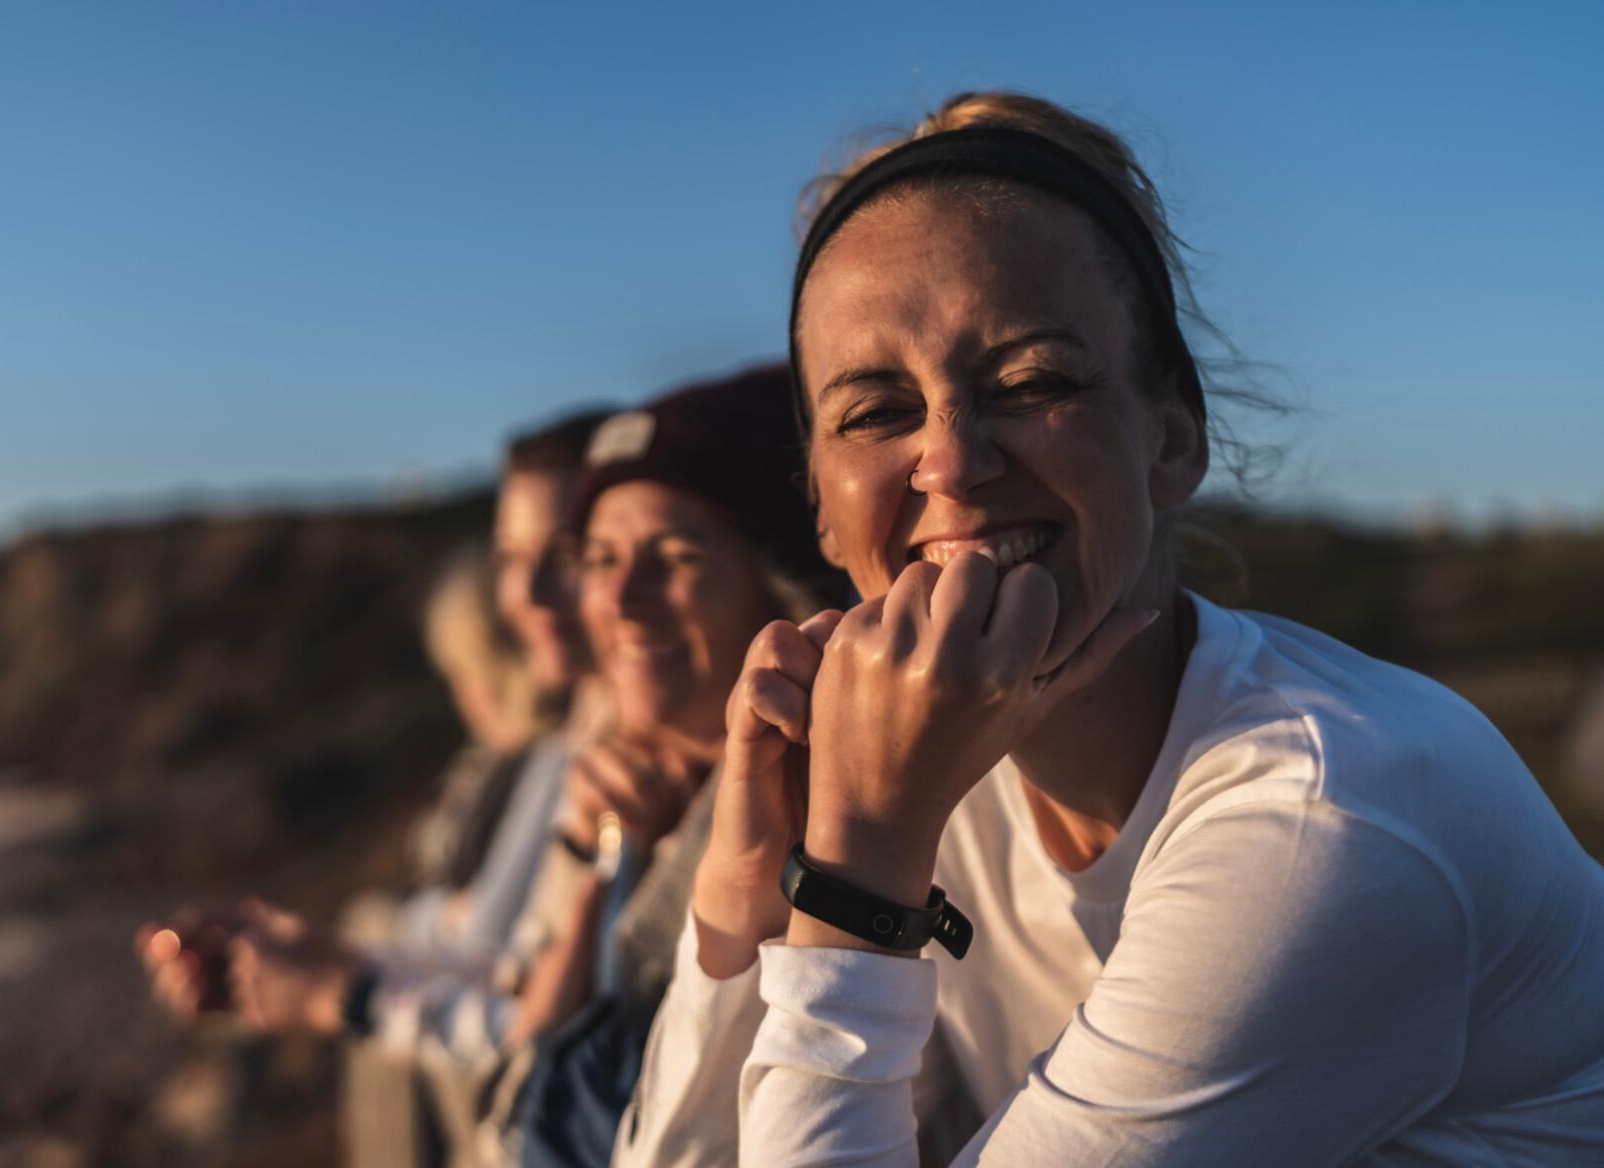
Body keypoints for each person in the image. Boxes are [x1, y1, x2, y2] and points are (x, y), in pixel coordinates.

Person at [616, 91, 1604, 1166]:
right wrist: (749, 892)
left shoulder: (1325, 822)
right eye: (876, 412)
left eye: (1032, 381)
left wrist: (853, 879)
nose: (951, 460)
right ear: (821, 506)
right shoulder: (937, 781)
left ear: (1174, 442)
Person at [136, 406, 611, 1168]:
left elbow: (524, 1009)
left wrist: (340, 992)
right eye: (511, 559)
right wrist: (313, 956)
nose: (525, 593)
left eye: (568, 553)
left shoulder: (631, 767)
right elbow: (504, 969)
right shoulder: (578, 745)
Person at [454, 365, 842, 1168]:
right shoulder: (625, 784)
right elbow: (515, 1093)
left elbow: (565, 1125)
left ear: (779, 591)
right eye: (598, 559)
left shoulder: (820, 826)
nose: (623, 600)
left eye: (674, 557)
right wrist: (604, 861)